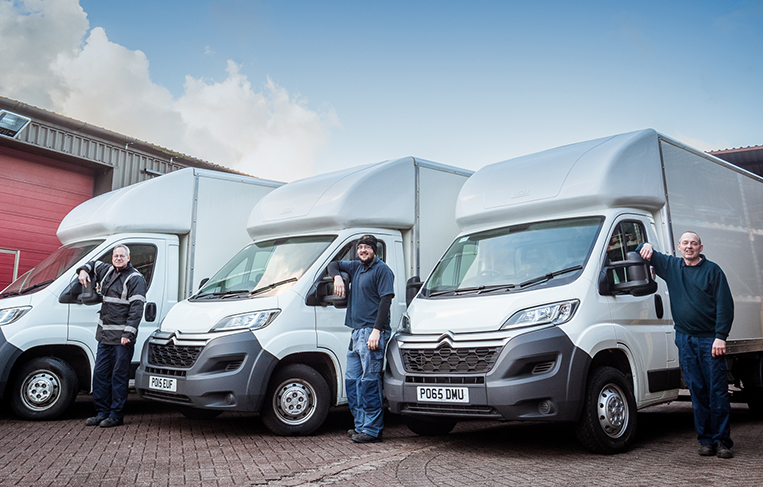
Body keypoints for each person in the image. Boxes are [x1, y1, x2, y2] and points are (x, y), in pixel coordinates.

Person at [638, 231, 734, 458]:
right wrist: (646, 244)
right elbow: (640, 250)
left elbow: (725, 305)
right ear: (679, 247)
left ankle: (722, 441)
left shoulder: (713, 271)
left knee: (717, 392)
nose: (689, 247)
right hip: (685, 339)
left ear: (701, 247)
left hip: (710, 340)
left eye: (694, 243)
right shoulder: (671, 266)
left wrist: (721, 336)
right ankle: (706, 441)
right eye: (685, 243)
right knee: (697, 391)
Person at [328, 235, 394, 443]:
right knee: (353, 382)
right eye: (360, 248)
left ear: (375, 250)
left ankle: (373, 430)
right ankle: (361, 425)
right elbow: (333, 264)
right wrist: (337, 277)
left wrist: (377, 330)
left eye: (367, 247)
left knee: (369, 382)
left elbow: (385, 301)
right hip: (356, 332)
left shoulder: (382, 270)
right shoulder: (357, 267)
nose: (363, 250)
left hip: (371, 333)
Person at [77, 244, 147, 428]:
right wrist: (83, 271)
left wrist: (128, 334)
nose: (118, 258)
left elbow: (136, 309)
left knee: (118, 377)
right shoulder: (107, 270)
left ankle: (116, 415)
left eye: (121, 256)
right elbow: (91, 263)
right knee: (100, 375)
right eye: (115, 255)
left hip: (121, 340)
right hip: (105, 337)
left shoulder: (135, 279)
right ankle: (102, 413)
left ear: (128, 258)